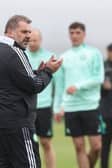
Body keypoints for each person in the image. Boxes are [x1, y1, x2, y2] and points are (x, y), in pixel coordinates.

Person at [0, 15, 62, 168]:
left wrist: (36, 72)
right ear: (10, 31)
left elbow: (13, 78)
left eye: (29, 32)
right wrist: (48, 71)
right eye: (24, 32)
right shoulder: (16, 51)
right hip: (18, 124)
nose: (28, 36)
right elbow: (35, 85)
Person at [54, 22, 104, 168]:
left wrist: (78, 86)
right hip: (71, 107)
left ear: (84, 34)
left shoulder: (94, 53)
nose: (74, 36)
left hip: (90, 105)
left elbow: (98, 78)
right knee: (79, 147)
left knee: (96, 147)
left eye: (77, 32)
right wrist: (58, 108)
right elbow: (60, 87)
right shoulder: (63, 57)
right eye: (72, 33)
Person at [26, 29, 56, 168]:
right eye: (30, 40)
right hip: (26, 106)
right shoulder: (22, 56)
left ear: (41, 40)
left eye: (35, 40)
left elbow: (58, 84)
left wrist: (57, 106)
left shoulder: (50, 57)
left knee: (46, 143)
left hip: (44, 106)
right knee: (27, 143)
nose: (31, 43)